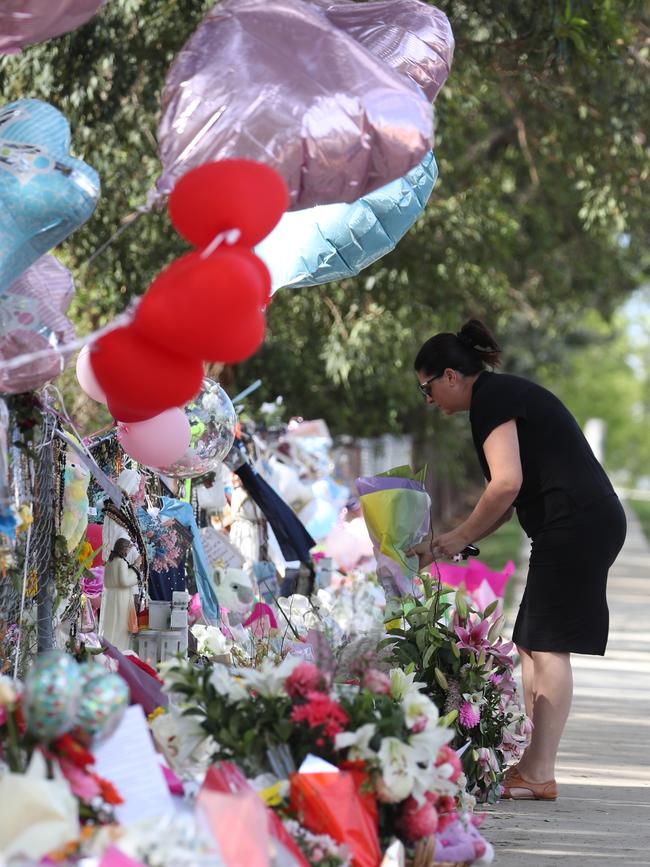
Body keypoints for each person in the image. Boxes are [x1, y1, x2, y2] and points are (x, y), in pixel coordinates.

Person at [408, 318, 626, 801]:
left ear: (449, 376)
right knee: (531, 642)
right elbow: (507, 501)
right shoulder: (498, 396)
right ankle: (530, 764)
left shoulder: (492, 398)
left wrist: (458, 534)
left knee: (548, 645)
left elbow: (504, 484)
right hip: (572, 525)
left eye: (427, 389)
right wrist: (448, 542)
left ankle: (540, 770)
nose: (430, 402)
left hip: (577, 524)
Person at [99, 537, 141, 652]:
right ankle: (120, 650)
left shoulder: (109, 562)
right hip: (121, 597)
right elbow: (125, 581)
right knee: (120, 626)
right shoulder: (121, 562)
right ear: (124, 549)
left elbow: (108, 582)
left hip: (111, 596)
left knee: (111, 623)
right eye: (128, 549)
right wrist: (136, 567)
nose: (128, 552)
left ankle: (108, 648)